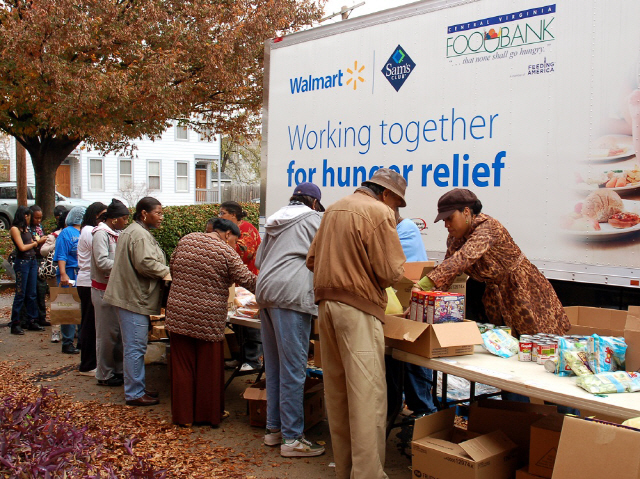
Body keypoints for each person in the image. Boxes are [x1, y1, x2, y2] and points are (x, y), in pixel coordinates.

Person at [306, 168, 407, 479]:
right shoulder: (379, 212)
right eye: (397, 203)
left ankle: (346, 469)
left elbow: (311, 260)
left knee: (337, 394)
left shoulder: (334, 207)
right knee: (367, 396)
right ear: (387, 194)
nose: (396, 209)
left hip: (326, 306)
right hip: (358, 309)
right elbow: (391, 271)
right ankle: (367, 474)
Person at [416, 188, 570, 336]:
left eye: (450, 218)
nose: (446, 225)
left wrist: (423, 284)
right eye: (444, 220)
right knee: (503, 344)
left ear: (466, 212)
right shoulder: (455, 238)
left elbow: (463, 257)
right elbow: (448, 272)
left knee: (537, 343)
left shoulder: (488, 226)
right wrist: (422, 302)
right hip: (494, 295)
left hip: (522, 288)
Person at [255, 182, 325, 457]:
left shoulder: (275, 219)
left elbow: (260, 260)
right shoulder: (314, 219)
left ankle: (274, 430)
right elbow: (327, 255)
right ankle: (293, 439)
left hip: (266, 291)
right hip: (291, 294)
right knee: (295, 369)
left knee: (274, 366)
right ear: (315, 203)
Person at [165, 218, 257, 427]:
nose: (234, 246)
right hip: (207, 317)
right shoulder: (225, 251)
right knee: (209, 368)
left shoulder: (186, 240)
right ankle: (207, 415)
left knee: (182, 366)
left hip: (178, 312)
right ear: (227, 234)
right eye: (234, 241)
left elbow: (173, 267)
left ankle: (183, 417)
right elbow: (248, 280)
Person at [104, 197, 169, 407]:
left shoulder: (135, 231)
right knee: (135, 347)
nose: (161, 217)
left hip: (131, 296)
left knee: (135, 346)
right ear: (144, 214)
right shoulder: (139, 234)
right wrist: (170, 273)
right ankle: (134, 393)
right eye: (158, 213)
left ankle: (137, 387)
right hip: (132, 298)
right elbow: (145, 263)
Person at [386, 214, 437, 421]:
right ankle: (396, 405)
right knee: (393, 357)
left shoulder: (406, 230)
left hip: (411, 302)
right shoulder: (399, 229)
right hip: (400, 303)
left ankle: (424, 409)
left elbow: (391, 265)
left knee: (413, 356)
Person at [219, 201, 263, 372]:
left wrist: (227, 242)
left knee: (248, 320)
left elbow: (246, 252)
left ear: (233, 215)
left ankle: (253, 360)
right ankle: (241, 357)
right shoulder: (226, 231)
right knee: (236, 322)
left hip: (248, 282)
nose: (220, 216)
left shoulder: (247, 229)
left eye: (222, 213)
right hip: (234, 284)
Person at [91, 199, 129, 387]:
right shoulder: (100, 234)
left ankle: (119, 370)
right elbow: (101, 262)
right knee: (106, 335)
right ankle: (104, 374)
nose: (126, 222)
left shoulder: (118, 233)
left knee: (119, 334)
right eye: (124, 218)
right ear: (114, 219)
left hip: (117, 290)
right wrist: (126, 265)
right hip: (102, 290)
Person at [76, 202, 107, 375]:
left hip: (88, 281)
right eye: (102, 216)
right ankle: (87, 364)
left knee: (91, 323)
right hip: (87, 282)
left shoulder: (89, 230)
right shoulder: (89, 231)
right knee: (89, 324)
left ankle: (90, 362)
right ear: (95, 216)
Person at [9, 206, 48, 335]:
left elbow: (32, 241)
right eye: (28, 216)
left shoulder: (26, 229)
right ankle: (16, 322)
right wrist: (36, 243)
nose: (30, 219)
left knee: (32, 293)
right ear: (23, 216)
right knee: (21, 293)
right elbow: (21, 247)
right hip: (23, 262)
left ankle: (32, 319)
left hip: (32, 261)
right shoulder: (15, 229)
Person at [53, 206, 86, 354]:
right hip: (68, 273)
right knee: (67, 308)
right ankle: (67, 342)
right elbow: (61, 255)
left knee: (80, 308)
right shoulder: (66, 233)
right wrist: (63, 274)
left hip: (81, 273)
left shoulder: (84, 232)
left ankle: (79, 341)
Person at [19, 205, 50, 328]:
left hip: (40, 259)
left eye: (40, 218)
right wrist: (38, 242)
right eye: (36, 218)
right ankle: (29, 318)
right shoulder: (26, 229)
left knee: (41, 289)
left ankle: (41, 316)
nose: (38, 220)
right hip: (31, 259)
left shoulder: (39, 227)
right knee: (31, 291)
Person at [42, 209, 69, 343]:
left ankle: (69, 331)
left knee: (70, 302)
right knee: (57, 301)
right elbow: (43, 251)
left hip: (69, 272)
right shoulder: (54, 235)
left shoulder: (74, 234)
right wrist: (55, 244)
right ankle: (55, 331)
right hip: (54, 273)